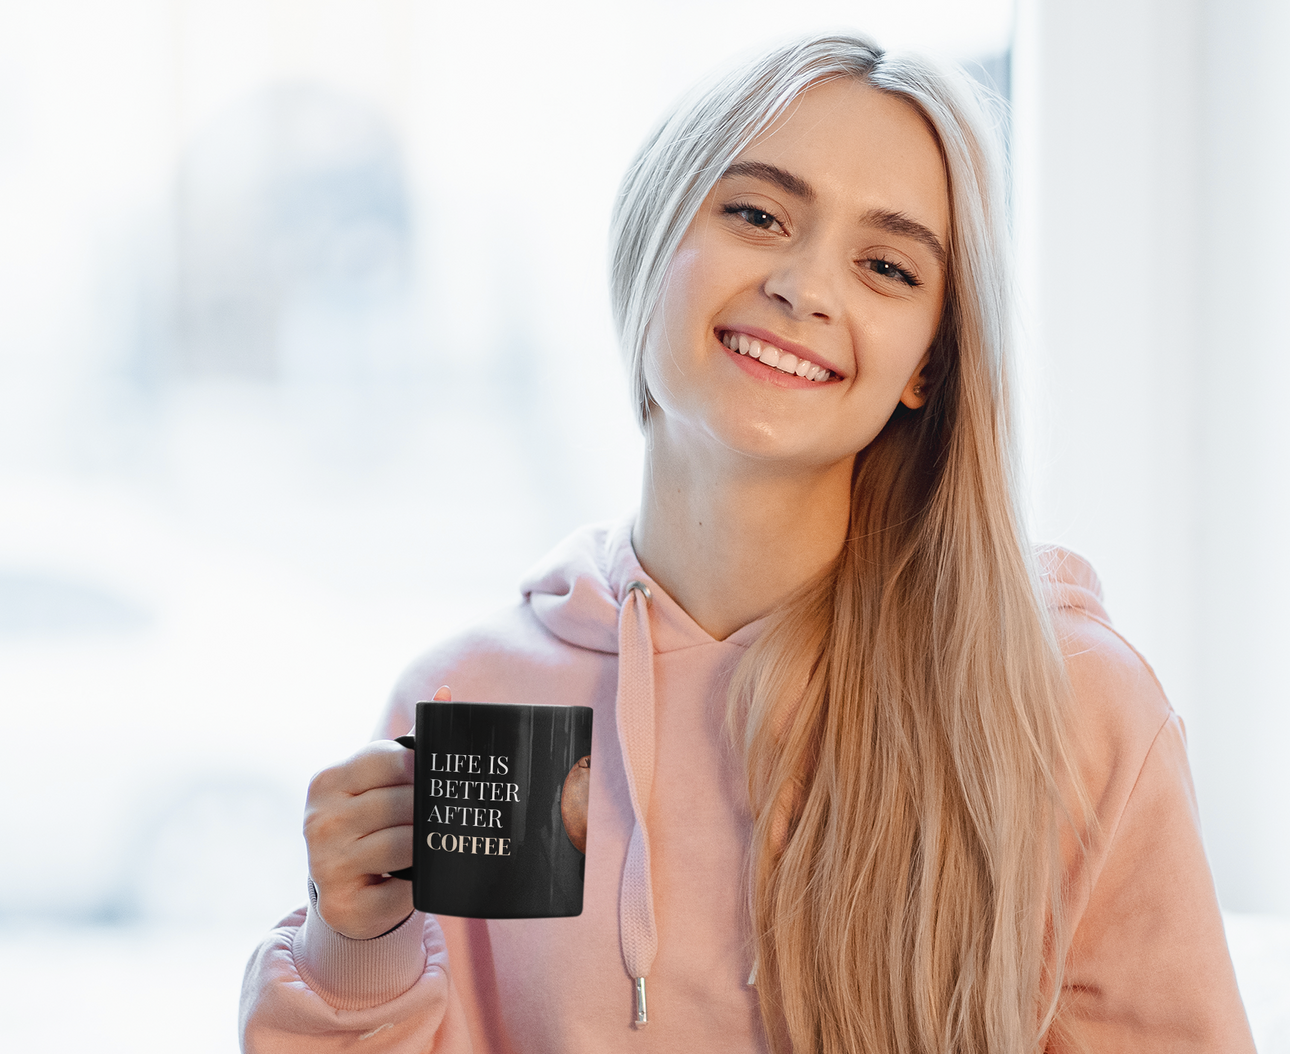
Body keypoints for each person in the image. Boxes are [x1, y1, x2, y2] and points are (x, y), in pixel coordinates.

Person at [240, 33, 1254, 1053]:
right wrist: (356, 947)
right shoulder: (471, 696)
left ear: (926, 367)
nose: (806, 287)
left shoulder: (1067, 705)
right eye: (757, 214)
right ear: (651, 239)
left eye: (886, 265)